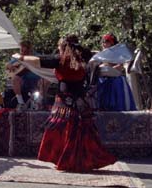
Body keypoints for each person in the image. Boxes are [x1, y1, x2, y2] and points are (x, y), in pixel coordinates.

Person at [14, 35, 116, 172]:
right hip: (80, 100)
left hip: (65, 101)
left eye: (59, 47)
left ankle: (68, 160)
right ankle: (83, 160)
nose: (57, 50)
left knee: (63, 130)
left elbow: (38, 60)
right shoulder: (83, 58)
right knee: (81, 131)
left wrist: (20, 57)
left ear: (63, 48)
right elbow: (90, 53)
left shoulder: (60, 60)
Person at [95, 33, 136, 111]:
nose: (104, 44)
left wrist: (109, 68)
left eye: (106, 41)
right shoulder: (100, 55)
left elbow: (120, 67)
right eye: (103, 42)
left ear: (112, 43)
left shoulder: (117, 54)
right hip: (104, 79)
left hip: (115, 79)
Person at [6, 40, 41, 110]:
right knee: (15, 78)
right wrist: (9, 65)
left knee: (44, 80)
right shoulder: (19, 57)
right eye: (21, 50)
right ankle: (20, 102)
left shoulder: (36, 57)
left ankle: (39, 102)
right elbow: (7, 65)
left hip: (36, 81)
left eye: (24, 51)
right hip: (23, 83)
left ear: (29, 50)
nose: (22, 53)